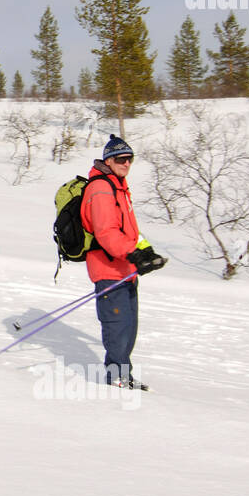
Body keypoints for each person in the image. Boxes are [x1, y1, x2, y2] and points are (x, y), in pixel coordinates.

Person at [78, 134, 167, 389]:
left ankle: (123, 375)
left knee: (129, 328)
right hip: (108, 269)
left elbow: (129, 231)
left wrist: (146, 251)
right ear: (109, 160)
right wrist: (133, 254)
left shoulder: (119, 187)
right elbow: (106, 234)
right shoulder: (101, 188)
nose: (126, 164)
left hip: (125, 270)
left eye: (130, 159)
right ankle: (116, 379)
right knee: (117, 328)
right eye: (121, 159)